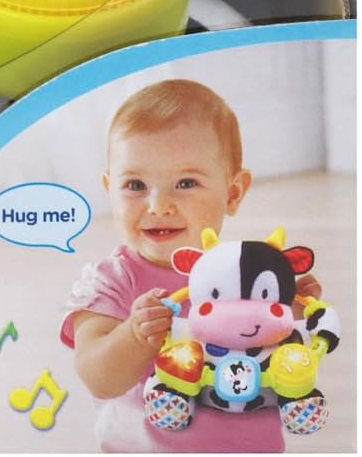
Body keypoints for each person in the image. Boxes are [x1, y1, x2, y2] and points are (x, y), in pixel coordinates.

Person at [62, 79, 322, 452]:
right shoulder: (112, 281)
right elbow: (97, 377)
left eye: (185, 183)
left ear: (233, 193)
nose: (158, 206)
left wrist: (294, 311)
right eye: (135, 185)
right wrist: (135, 335)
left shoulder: (249, 272)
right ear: (109, 191)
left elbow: (284, 359)